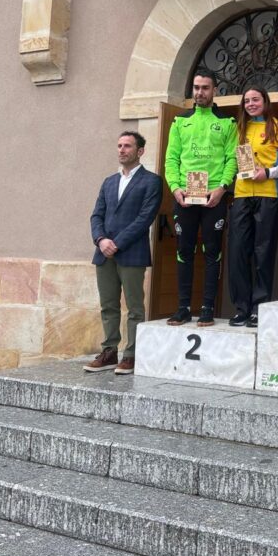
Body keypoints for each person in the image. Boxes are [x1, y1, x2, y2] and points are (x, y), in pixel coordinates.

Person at [85, 132, 163, 375]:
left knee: (134, 308)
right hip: (104, 253)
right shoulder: (109, 181)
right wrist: (101, 240)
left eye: (127, 146)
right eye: (119, 145)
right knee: (108, 305)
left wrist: (116, 243)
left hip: (130, 253)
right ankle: (109, 351)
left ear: (140, 151)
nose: (121, 150)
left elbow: (144, 219)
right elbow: (96, 215)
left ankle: (130, 354)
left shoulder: (152, 181)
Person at [164, 70, 237, 326]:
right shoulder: (179, 122)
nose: (199, 92)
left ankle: (207, 307)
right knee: (184, 251)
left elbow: (232, 159)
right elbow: (171, 158)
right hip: (185, 196)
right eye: (196, 87)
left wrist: (222, 189)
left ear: (214, 90)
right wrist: (174, 187)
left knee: (212, 251)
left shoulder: (227, 122)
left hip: (212, 198)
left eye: (205, 88)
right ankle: (182, 307)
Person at [228, 86, 278, 327]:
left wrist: (268, 172)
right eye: (247, 101)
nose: (251, 104)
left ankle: (258, 307)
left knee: (263, 253)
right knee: (237, 253)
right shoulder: (238, 129)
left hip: (268, 195)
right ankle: (241, 308)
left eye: (255, 99)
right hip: (242, 195)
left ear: (265, 101)